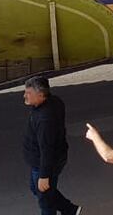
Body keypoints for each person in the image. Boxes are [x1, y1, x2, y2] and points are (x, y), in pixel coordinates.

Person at [22, 75, 81, 215]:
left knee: (46, 202)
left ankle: (70, 210)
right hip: (47, 160)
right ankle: (70, 210)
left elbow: (46, 149)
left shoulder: (45, 120)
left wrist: (44, 175)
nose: (24, 96)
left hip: (44, 164)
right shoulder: (54, 101)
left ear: (41, 95)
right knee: (37, 188)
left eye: (28, 93)